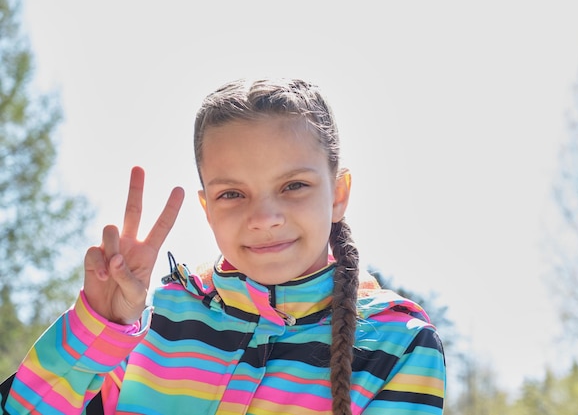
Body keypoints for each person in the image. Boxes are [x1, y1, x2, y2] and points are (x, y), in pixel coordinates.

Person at [1, 78, 446, 414]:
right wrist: (97, 326)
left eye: (293, 185)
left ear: (339, 193)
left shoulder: (397, 344)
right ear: (207, 208)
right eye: (232, 194)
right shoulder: (157, 324)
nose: (264, 217)